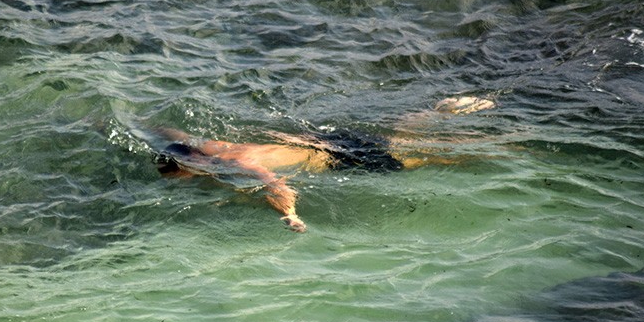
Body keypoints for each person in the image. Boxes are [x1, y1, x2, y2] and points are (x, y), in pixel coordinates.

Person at [153, 96, 496, 233]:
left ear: (190, 167)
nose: (180, 181)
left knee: (422, 157)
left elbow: (275, 184)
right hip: (322, 139)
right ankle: (438, 110)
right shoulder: (210, 148)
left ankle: (495, 151)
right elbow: (172, 132)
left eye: (179, 178)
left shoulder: (240, 162)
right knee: (398, 139)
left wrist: (289, 215)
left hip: (339, 158)